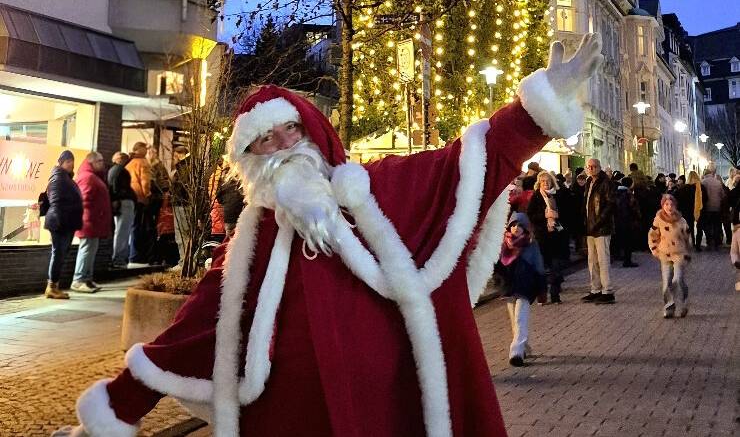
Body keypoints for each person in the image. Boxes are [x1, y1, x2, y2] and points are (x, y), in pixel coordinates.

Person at [61, 33, 603, 437]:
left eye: (290, 130)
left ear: (313, 132)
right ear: (248, 163)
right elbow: (186, 335)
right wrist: (109, 414)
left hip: (392, 415)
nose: (283, 147)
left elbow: (461, 166)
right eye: (265, 142)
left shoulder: (380, 191)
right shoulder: (248, 247)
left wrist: (535, 113)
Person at [492, 212, 546, 366]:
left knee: (520, 318)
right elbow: (496, 267)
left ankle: (516, 352)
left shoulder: (531, 245)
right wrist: (499, 282)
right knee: (514, 322)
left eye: (520, 225)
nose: (516, 228)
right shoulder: (503, 244)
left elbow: (539, 268)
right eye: (513, 225)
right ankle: (523, 347)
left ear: (526, 228)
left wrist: (542, 290)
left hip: (525, 287)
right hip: (509, 288)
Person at [43, 150, 83, 300]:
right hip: (61, 223)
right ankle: (52, 287)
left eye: (72, 161)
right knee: (58, 254)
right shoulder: (58, 178)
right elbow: (56, 201)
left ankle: (54, 286)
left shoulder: (64, 177)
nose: (71, 164)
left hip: (65, 222)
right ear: (60, 162)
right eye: (68, 161)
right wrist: (62, 221)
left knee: (60, 254)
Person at [71, 152, 112, 293]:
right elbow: (83, 200)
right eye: (100, 161)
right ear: (92, 162)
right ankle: (78, 280)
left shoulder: (92, 176)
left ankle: (86, 279)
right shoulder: (88, 177)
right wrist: (93, 215)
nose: (102, 163)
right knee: (87, 250)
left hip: (93, 220)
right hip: (88, 221)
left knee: (90, 250)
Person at [648, 192, 692, 318]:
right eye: (666, 204)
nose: (669, 207)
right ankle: (669, 306)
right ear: (663, 205)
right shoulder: (658, 220)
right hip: (665, 254)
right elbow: (652, 235)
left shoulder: (681, 221)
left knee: (678, 279)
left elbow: (687, 237)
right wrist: (654, 249)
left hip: (679, 253)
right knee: (666, 282)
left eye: (671, 204)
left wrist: (689, 251)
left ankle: (684, 302)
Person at [527, 171, 565, 302]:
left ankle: (555, 294)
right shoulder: (536, 197)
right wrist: (544, 216)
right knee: (541, 268)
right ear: (539, 183)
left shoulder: (558, 195)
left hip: (556, 235)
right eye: (543, 181)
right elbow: (530, 215)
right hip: (542, 235)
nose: (546, 183)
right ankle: (541, 295)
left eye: (548, 181)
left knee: (556, 267)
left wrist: (558, 216)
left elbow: (566, 212)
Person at [582, 156, 615, 303]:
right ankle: (595, 289)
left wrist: (599, 221)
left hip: (602, 228)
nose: (591, 169)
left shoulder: (605, 183)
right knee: (592, 260)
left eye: (594, 166)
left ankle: (607, 291)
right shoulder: (589, 182)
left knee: (603, 260)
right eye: (589, 167)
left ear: (599, 167)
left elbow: (610, 205)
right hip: (590, 227)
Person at [126, 143, 153, 265]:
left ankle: (130, 254)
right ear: (139, 149)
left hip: (131, 197)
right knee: (139, 227)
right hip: (140, 198)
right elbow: (145, 182)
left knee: (132, 226)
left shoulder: (129, 162)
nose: (147, 151)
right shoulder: (143, 162)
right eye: (145, 148)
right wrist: (147, 195)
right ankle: (136, 255)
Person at [108, 152, 136, 268]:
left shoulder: (112, 170)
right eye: (125, 159)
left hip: (120, 203)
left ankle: (118, 258)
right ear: (120, 159)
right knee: (123, 232)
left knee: (120, 232)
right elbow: (119, 188)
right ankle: (119, 259)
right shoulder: (121, 171)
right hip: (124, 203)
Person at [613, 175, 640, 267]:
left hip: (617, 221)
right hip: (627, 221)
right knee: (628, 241)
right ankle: (627, 261)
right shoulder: (628, 194)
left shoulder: (615, 192)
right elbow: (632, 209)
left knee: (618, 240)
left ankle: (618, 255)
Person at [700, 165, 726, 250]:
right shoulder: (718, 182)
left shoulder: (703, 182)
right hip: (717, 207)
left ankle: (709, 241)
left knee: (708, 225)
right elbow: (722, 195)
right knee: (716, 225)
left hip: (707, 208)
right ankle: (717, 241)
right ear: (712, 173)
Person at [676, 171, 702, 248]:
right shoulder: (699, 187)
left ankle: (686, 242)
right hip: (695, 209)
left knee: (685, 227)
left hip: (685, 210)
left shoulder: (684, 188)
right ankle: (695, 242)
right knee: (694, 227)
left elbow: (677, 198)